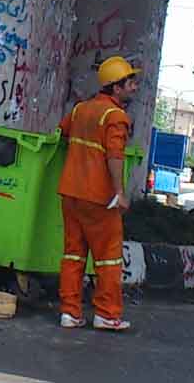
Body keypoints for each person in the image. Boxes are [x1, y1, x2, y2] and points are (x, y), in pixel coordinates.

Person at [57, 55, 138, 333]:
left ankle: (69, 312)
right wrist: (120, 192)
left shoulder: (80, 110)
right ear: (116, 87)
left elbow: (61, 133)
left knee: (73, 254)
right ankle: (106, 314)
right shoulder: (116, 117)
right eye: (130, 82)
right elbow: (115, 155)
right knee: (108, 258)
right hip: (99, 198)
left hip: (70, 193)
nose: (134, 87)